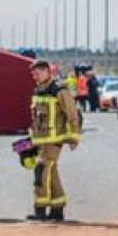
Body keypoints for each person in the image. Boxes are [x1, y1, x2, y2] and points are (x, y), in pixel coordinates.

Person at [26, 59, 80, 222]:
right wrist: (31, 140)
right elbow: (35, 118)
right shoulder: (37, 91)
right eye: (33, 74)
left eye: (37, 73)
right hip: (41, 140)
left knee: (41, 169)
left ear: (47, 72)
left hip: (55, 140)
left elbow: (72, 114)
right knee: (52, 171)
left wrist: (73, 137)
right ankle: (57, 208)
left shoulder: (59, 90)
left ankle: (40, 209)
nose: (35, 76)